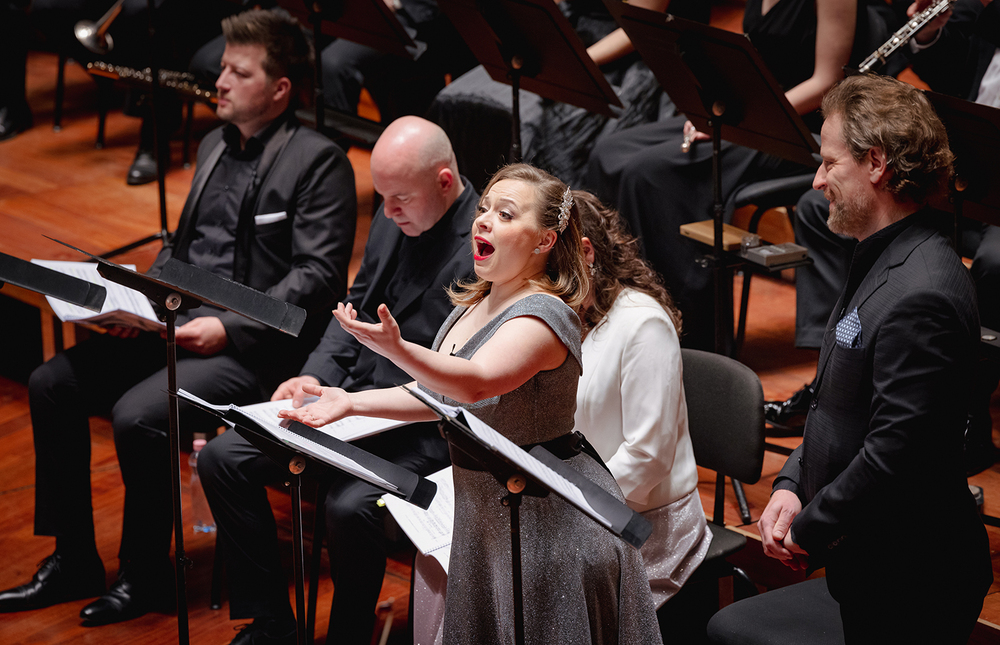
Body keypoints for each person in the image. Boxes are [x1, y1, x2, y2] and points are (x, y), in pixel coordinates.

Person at [0, 8, 357, 626]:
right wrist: (132, 300)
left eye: (236, 72)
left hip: (251, 352)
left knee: (140, 415)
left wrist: (228, 327)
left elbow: (315, 283)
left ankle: (146, 576)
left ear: (279, 90)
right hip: (178, 323)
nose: (217, 81)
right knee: (51, 382)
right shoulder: (215, 142)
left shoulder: (319, 162)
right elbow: (180, 249)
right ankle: (74, 560)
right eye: (222, 68)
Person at [281, 164, 663, 644]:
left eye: (505, 214)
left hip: (548, 524)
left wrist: (397, 349)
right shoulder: (475, 302)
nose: (483, 220)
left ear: (544, 241)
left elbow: (477, 385)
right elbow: (445, 399)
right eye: (483, 209)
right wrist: (351, 403)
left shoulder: (545, 314)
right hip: (486, 515)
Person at [197, 115, 479, 645]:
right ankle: (272, 623)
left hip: (421, 432)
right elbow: (351, 309)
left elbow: (454, 382)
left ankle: (347, 636)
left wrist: (353, 402)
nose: (388, 212)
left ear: (444, 181)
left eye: (400, 199)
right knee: (223, 459)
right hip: (346, 404)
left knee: (348, 508)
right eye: (382, 198)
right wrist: (313, 374)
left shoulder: (481, 248)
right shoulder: (394, 215)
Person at [409, 191, 710, 644]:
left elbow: (647, 460)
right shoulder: (525, 315)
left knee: (534, 581)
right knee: (446, 557)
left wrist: (556, 513)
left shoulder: (641, 325)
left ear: (582, 254)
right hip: (543, 497)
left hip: (630, 519)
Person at [755, 74, 992, 642]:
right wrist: (790, 482)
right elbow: (834, 399)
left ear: (877, 164)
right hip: (871, 557)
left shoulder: (923, 292)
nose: (817, 181)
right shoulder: (880, 254)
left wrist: (809, 528)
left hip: (913, 576)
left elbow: (896, 453)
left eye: (829, 163)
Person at [778, 0, 1000, 466]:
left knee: (996, 263)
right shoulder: (988, 11)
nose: (821, 174)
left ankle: (967, 412)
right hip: (968, 175)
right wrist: (930, 35)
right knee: (822, 211)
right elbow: (959, 70)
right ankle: (838, 380)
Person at [585, 0, 871, 351]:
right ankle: (610, 306)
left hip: (798, 129)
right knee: (609, 152)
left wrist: (741, 115)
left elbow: (827, 83)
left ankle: (683, 329)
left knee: (649, 174)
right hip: (750, 112)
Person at [426, 0, 710, 190]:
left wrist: (570, 60)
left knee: (533, 122)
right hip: (575, 34)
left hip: (630, 57)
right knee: (457, 99)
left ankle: (542, 233)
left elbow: (637, 28)